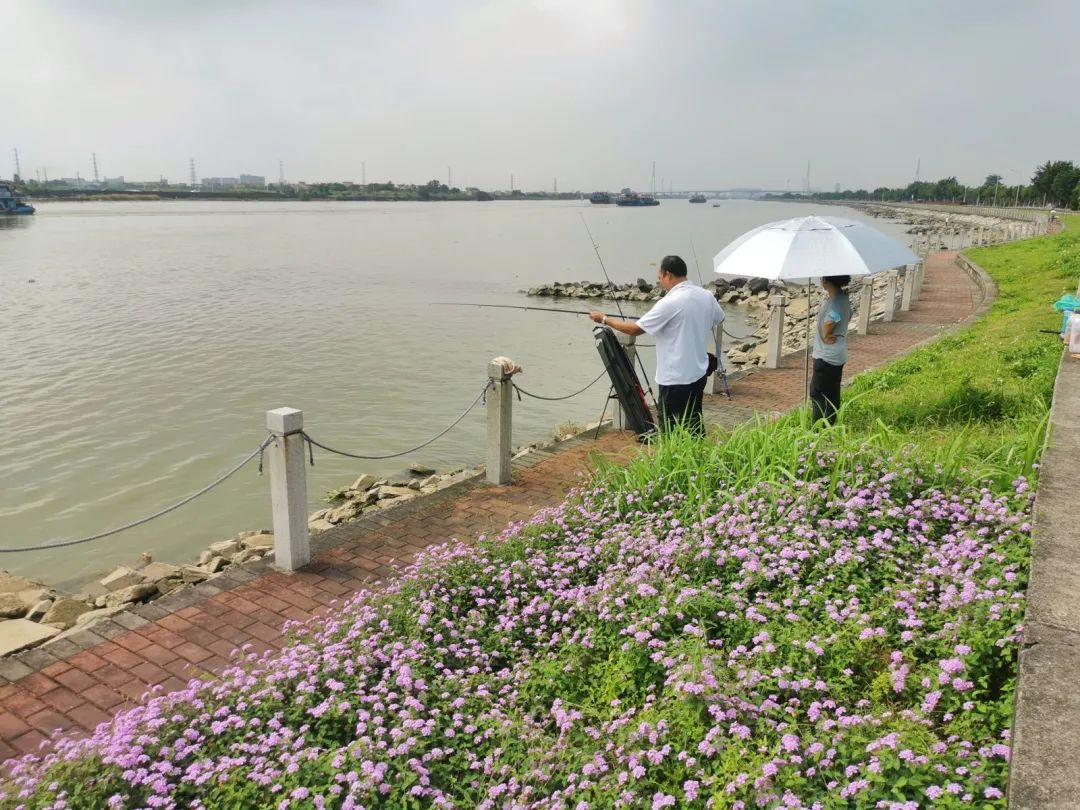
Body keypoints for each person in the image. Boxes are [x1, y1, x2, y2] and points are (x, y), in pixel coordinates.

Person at [590, 255, 724, 435]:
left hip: (674, 379)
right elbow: (719, 317)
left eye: (660, 277)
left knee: (670, 431)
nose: (660, 282)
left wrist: (604, 318)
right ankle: (696, 459)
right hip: (698, 375)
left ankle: (674, 462)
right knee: (693, 425)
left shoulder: (670, 302)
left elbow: (634, 329)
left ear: (668, 274)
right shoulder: (706, 296)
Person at [809, 275, 852, 424]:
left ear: (826, 281)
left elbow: (830, 321)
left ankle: (817, 431)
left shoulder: (835, 302)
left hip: (826, 356)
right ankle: (830, 426)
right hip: (837, 353)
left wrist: (826, 335)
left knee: (818, 394)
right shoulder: (842, 298)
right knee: (832, 394)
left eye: (822, 278)